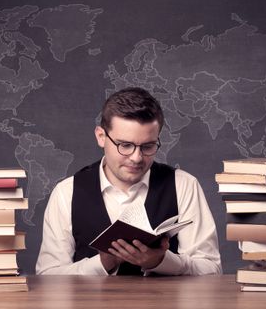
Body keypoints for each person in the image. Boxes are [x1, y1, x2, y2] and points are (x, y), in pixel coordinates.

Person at [36, 87, 222, 275]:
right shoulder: (67, 192)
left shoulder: (184, 185)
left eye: (148, 146)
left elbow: (211, 269)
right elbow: (48, 276)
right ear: (101, 137)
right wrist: (102, 263)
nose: (136, 158)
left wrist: (162, 261)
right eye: (125, 145)